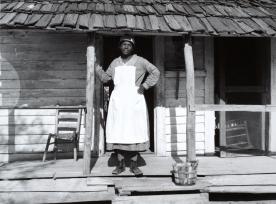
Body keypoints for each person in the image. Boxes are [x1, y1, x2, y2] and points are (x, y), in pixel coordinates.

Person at [96, 36, 160, 176]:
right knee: (118, 130)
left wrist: (145, 85)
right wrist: (97, 69)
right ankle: (120, 165)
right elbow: (106, 78)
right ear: (120, 47)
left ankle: (134, 165)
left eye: (129, 45)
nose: (126, 47)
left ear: (133, 47)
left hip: (134, 100)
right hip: (118, 101)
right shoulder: (115, 63)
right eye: (123, 44)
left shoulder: (140, 61)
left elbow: (155, 72)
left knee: (134, 130)